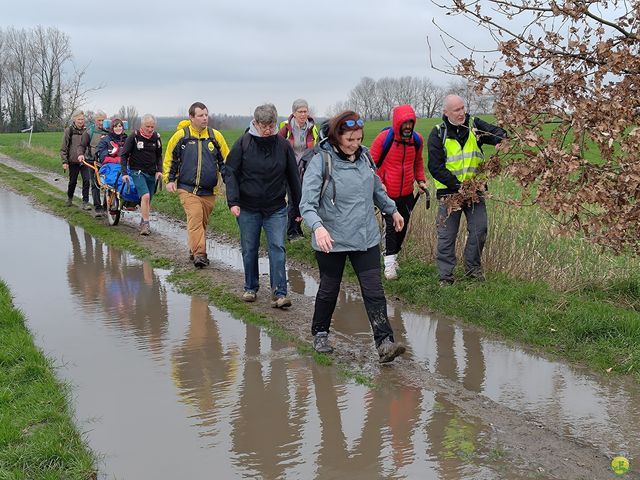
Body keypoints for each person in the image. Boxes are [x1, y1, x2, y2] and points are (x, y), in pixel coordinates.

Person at [299, 110, 406, 363]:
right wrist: (318, 227)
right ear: (337, 137)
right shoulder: (321, 161)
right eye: (350, 140)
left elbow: (376, 188)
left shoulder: (365, 157)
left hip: (365, 236)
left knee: (374, 291)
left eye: (358, 139)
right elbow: (307, 204)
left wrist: (393, 210)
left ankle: (384, 343)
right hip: (332, 238)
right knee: (329, 289)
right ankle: (320, 333)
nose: (355, 144)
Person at [224, 103, 301, 308]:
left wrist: (298, 208)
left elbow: (293, 178)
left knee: (278, 247)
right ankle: (250, 287)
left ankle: (280, 292)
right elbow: (230, 172)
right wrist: (233, 201)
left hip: (276, 207)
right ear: (255, 123)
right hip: (248, 207)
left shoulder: (283, 146)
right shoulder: (243, 144)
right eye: (263, 125)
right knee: (249, 248)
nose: (267, 130)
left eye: (271, 125)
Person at [427, 94, 506, 286]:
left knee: (480, 230)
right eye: (457, 110)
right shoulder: (438, 133)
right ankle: (445, 278)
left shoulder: (474, 126)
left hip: (475, 192)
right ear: (446, 113)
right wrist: (457, 185)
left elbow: (497, 132)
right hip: (450, 194)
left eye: (463, 108)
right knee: (447, 236)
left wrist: (500, 139)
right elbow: (435, 167)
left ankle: (473, 271)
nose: (462, 113)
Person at [164, 102, 230, 268]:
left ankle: (193, 249)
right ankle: (200, 254)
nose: (204, 118)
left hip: (209, 190)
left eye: (206, 115)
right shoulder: (181, 136)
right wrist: (170, 179)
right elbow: (170, 158)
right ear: (191, 118)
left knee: (201, 223)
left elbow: (225, 161)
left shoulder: (215, 137)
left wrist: (230, 180)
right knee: (195, 218)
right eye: (200, 115)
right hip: (187, 188)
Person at [370, 104, 428, 280]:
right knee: (390, 227)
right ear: (397, 123)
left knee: (403, 227)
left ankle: (393, 258)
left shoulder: (416, 140)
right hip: (387, 193)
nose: (408, 127)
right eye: (405, 123)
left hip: (407, 193)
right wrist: (379, 185)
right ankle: (388, 265)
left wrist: (421, 181)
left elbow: (417, 162)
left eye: (411, 123)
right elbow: (370, 165)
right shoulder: (383, 140)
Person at [278, 99, 319, 241]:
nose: (303, 114)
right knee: (293, 199)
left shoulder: (312, 128)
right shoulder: (285, 127)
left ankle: (299, 228)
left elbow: (316, 147)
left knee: (304, 198)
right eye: (300, 111)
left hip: (307, 168)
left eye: (305, 111)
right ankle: (292, 231)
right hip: (290, 168)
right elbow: (278, 145)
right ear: (294, 113)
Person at [120, 114, 163, 236]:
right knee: (146, 196)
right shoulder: (134, 137)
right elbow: (123, 155)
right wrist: (124, 173)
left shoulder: (156, 138)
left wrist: (159, 170)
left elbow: (159, 155)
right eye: (147, 126)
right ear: (141, 125)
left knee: (149, 199)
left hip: (151, 172)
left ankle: (143, 220)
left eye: (152, 127)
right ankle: (145, 224)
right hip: (137, 172)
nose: (150, 129)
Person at [78, 110, 109, 216]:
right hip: (92, 161)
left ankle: (107, 205)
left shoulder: (110, 131)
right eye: (99, 120)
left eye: (103, 120)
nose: (101, 122)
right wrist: (81, 154)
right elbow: (82, 145)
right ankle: (97, 207)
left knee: (107, 184)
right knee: (95, 183)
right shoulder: (89, 131)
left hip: (107, 161)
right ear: (95, 121)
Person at [60, 109, 91, 209]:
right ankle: (69, 198)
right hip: (73, 161)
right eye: (79, 119)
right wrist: (65, 161)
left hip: (85, 161)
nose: (81, 121)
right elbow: (64, 148)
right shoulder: (69, 131)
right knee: (73, 181)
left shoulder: (87, 131)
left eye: (82, 119)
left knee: (86, 180)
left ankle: (85, 202)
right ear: (74, 119)